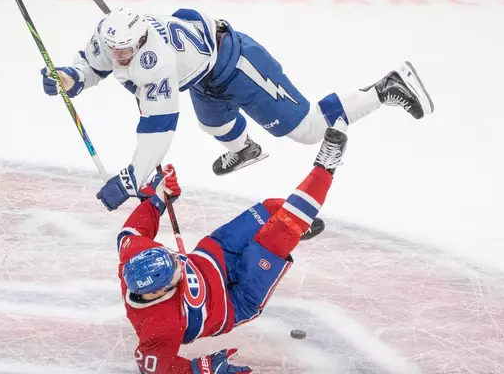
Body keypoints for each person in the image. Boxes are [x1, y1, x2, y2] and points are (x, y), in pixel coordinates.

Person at [41, 6, 434, 212]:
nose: (118, 56)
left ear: (142, 40)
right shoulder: (112, 36)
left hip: (237, 65)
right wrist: (69, 76)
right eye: (114, 49)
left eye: (126, 51)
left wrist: (131, 179)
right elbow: (92, 65)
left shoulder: (154, 61)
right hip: (203, 76)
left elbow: (158, 126)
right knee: (214, 124)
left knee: (309, 130)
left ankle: (386, 88)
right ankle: (245, 150)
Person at [115, 126, 348, 374]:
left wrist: (160, 197)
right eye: (175, 274)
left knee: (270, 210)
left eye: (174, 260)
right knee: (281, 229)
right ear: (160, 290)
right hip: (234, 301)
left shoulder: (134, 253)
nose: (178, 267)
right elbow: (154, 367)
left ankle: (296, 222)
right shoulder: (159, 325)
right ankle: (326, 166)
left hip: (213, 255)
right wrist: (202, 369)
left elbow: (131, 231)